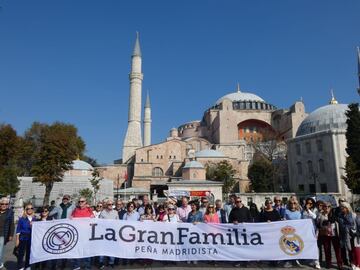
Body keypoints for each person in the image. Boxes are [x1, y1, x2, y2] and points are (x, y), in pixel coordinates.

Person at [317, 202, 343, 269]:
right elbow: (318, 224)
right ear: (323, 207)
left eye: (328, 206)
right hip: (325, 234)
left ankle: (340, 264)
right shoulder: (320, 215)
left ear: (330, 207)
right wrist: (323, 219)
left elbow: (337, 221)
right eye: (325, 206)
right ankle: (328, 263)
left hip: (334, 234)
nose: (327, 208)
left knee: (337, 249)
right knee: (327, 249)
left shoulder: (334, 214)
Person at [71, 197, 94, 270]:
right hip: (77, 234)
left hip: (87, 234)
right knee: (77, 250)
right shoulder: (75, 210)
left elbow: (93, 220)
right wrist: (71, 218)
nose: (80, 203)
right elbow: (71, 218)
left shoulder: (89, 210)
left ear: (85, 202)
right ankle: (76, 266)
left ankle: (87, 266)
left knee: (87, 251)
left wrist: (92, 217)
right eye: (79, 201)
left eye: (82, 201)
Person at [16, 202, 38, 270]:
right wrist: (17, 240)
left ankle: (27, 266)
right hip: (23, 237)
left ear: (33, 209)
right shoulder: (22, 219)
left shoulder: (35, 219)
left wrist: (33, 226)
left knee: (29, 253)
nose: (30, 210)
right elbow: (18, 230)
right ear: (25, 210)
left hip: (31, 238)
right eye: (28, 208)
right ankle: (20, 266)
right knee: (21, 253)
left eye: (31, 208)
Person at [98, 199, 118, 269]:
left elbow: (118, 223)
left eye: (112, 204)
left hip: (112, 234)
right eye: (109, 204)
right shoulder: (103, 212)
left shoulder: (115, 212)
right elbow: (99, 223)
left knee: (112, 249)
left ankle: (111, 263)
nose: (110, 206)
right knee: (102, 249)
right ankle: (101, 263)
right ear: (106, 205)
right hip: (104, 234)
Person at [283, 196, 303, 268]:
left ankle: (296, 260)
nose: (293, 204)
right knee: (288, 246)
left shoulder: (299, 211)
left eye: (294, 203)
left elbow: (302, 221)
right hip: (289, 232)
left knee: (297, 246)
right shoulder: (286, 211)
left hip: (297, 232)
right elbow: (284, 220)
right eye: (291, 203)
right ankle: (288, 260)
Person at [302, 197, 320, 269]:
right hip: (306, 230)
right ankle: (311, 259)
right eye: (308, 203)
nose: (309, 204)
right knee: (308, 245)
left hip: (313, 230)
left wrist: (308, 209)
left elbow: (315, 216)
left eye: (311, 203)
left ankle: (317, 261)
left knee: (315, 246)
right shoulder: (303, 210)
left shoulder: (315, 210)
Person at [338, 202, 357, 270]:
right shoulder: (339, 215)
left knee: (351, 249)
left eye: (342, 207)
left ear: (347, 207)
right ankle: (344, 262)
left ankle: (352, 262)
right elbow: (340, 225)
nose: (341, 208)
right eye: (341, 207)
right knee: (343, 249)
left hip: (351, 235)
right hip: (342, 234)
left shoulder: (352, 214)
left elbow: (353, 224)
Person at [0, 198, 14, 270]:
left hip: (3, 234)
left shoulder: (10, 212)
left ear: (8, 205)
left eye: (6, 204)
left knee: (0, 250)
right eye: (2, 204)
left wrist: (11, 235)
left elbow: (11, 224)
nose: (4, 205)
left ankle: (0, 265)